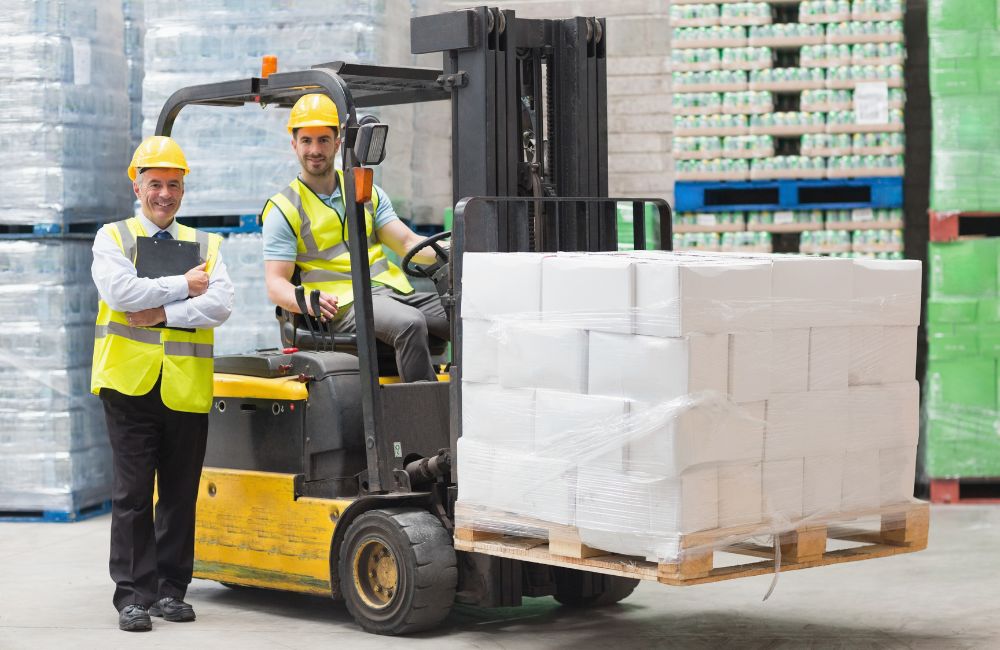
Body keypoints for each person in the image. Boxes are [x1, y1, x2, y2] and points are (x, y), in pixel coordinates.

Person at [90, 136, 234, 632]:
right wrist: (183, 287)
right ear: (137, 185)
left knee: (178, 494)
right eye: (155, 184)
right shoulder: (113, 238)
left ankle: (171, 591)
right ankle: (133, 594)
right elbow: (119, 291)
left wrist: (162, 312)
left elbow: (221, 305)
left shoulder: (207, 244)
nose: (164, 195)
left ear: (183, 189)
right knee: (132, 494)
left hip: (185, 387)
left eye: (173, 185)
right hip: (129, 385)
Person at [260, 93, 449, 382]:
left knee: (464, 313)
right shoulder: (284, 208)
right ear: (294, 144)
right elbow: (276, 284)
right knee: (410, 324)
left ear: (338, 143)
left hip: (392, 293)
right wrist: (306, 302)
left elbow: (409, 243)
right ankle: (424, 422)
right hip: (343, 304)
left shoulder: (365, 191)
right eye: (306, 140)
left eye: (323, 139)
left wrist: (457, 250)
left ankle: (469, 404)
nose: (315, 149)